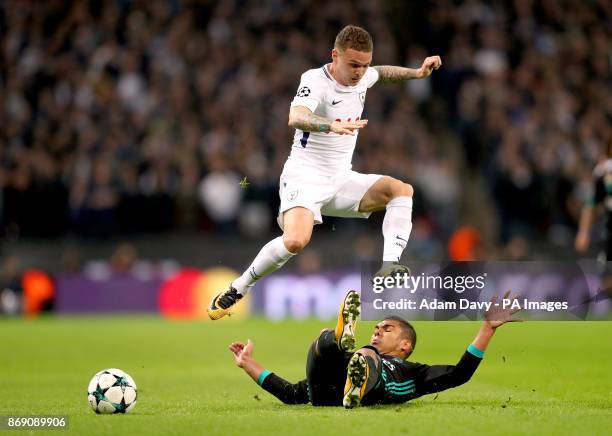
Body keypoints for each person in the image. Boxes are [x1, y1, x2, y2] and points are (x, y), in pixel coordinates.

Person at [208, 25, 442, 320]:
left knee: (401, 190)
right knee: (295, 240)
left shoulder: (363, 75)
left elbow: (381, 73)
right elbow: (296, 116)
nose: (360, 72)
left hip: (341, 178)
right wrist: (329, 125)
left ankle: (389, 265)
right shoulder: (315, 80)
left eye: (364, 64)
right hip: (304, 176)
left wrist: (416, 73)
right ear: (335, 55)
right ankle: (240, 287)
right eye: (353, 64)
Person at [229, 290, 521, 408]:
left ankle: (356, 380)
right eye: (376, 328)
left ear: (405, 345)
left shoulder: (413, 372)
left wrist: (486, 330)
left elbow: (458, 375)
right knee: (323, 343)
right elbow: (291, 393)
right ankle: (337, 340)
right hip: (329, 391)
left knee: (364, 354)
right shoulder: (362, 354)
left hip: (373, 384)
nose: (378, 331)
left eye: (387, 329)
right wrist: (248, 364)